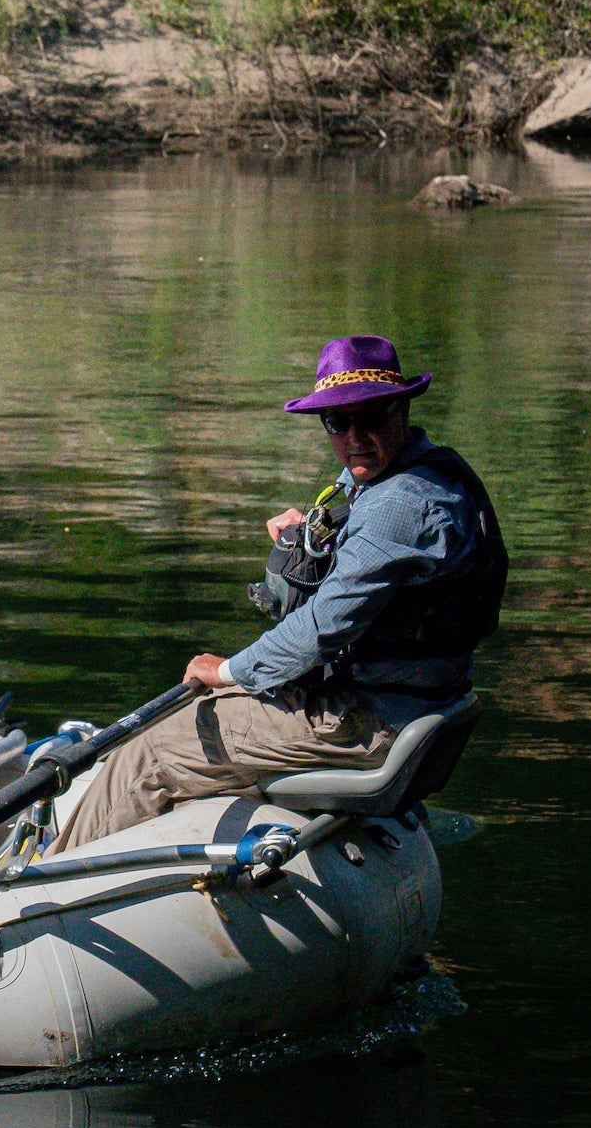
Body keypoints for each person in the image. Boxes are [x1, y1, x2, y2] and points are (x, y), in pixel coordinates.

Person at [59, 335, 506, 848]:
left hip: (366, 720)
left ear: (401, 408)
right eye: (338, 422)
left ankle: (40, 892)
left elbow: (320, 630)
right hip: (417, 702)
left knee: (151, 750)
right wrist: (318, 536)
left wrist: (224, 672)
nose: (355, 436)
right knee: (192, 719)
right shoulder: (430, 474)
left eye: (373, 417)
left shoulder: (398, 505)